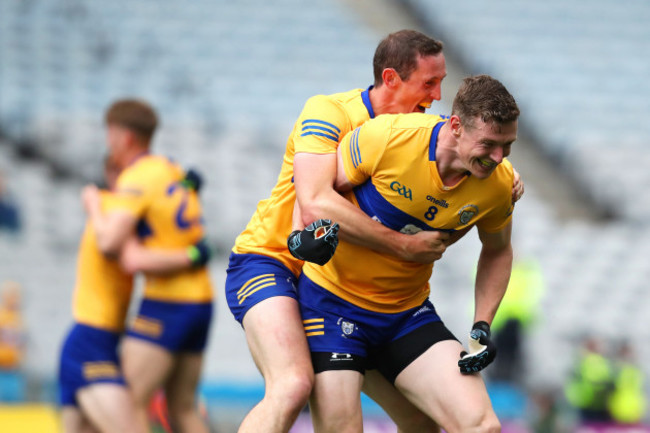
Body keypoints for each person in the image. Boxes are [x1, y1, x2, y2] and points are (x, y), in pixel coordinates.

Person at [226, 30, 524, 433]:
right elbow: (313, 199)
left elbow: (462, 143)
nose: (437, 94)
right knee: (292, 385)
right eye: (428, 83)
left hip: (371, 292)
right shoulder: (337, 116)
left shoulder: (421, 134)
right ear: (390, 79)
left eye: (441, 82)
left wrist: (497, 167)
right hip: (275, 256)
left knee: (422, 421)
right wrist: (403, 245)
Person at [296, 74, 519, 432]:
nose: (498, 157)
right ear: (456, 126)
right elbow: (315, 195)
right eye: (490, 144)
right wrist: (300, 235)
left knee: (481, 426)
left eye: (507, 146)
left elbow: (498, 251)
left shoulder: (499, 183)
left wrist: (482, 324)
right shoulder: (389, 137)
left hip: (404, 316)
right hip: (331, 305)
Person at [82, 99, 214, 433]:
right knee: (182, 409)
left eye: (110, 133)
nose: (107, 142)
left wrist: (94, 206)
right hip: (201, 300)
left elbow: (112, 245)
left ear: (124, 136)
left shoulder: (137, 176)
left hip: (167, 303)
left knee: (129, 405)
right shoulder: (171, 168)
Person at [0, 281, 27, 402]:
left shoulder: (19, 319)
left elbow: (22, 343)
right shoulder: (2, 316)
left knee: (14, 409)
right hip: (2, 369)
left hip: (14, 370)